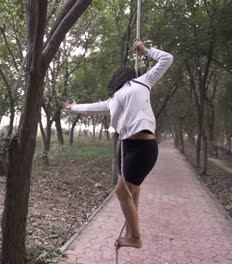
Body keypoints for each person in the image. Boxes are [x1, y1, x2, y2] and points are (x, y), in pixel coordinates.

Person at [63, 39, 173, 249]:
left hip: (143, 148)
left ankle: (135, 238)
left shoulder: (143, 82)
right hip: (128, 147)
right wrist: (73, 107)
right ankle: (132, 231)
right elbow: (92, 108)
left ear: (119, 78)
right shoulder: (114, 100)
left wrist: (146, 51)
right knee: (133, 191)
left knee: (122, 192)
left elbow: (167, 59)